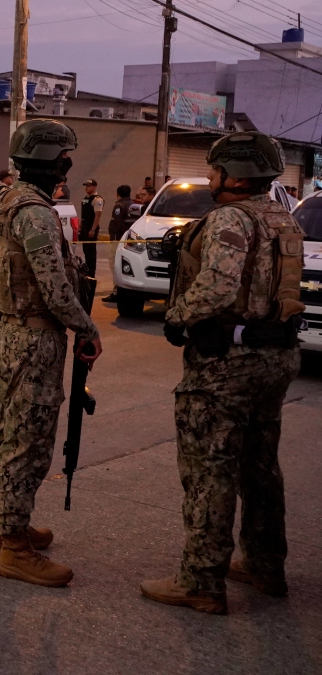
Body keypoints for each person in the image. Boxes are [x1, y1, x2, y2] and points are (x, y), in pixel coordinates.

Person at [142, 132, 304, 615]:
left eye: (214, 170)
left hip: (226, 364)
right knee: (259, 465)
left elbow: (215, 287)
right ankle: (263, 564)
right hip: (275, 357)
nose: (210, 177)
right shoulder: (282, 218)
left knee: (209, 469)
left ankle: (201, 580)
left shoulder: (230, 219)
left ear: (234, 175)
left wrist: (176, 317)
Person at [0, 119, 101, 588]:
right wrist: (88, 330)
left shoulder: (5, 202)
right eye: (64, 156)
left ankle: (5, 522)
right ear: (52, 160)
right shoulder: (36, 212)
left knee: (8, 431)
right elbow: (56, 289)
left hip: (10, 331)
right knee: (28, 441)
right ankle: (14, 548)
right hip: (35, 338)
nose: (68, 164)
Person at [103, 184, 135, 302]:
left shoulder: (119, 205)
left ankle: (117, 292)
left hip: (117, 239)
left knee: (115, 265)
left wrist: (122, 236)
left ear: (118, 194)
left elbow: (118, 222)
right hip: (127, 240)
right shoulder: (133, 205)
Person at [79, 179, 105, 276]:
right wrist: (80, 227)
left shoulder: (97, 200)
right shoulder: (85, 198)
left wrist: (93, 229)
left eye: (89, 186)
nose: (86, 188)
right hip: (85, 227)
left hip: (91, 228)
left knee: (90, 252)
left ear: (94, 187)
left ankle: (91, 273)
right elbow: (83, 215)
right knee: (85, 250)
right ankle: (87, 271)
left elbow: (98, 215)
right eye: (86, 185)